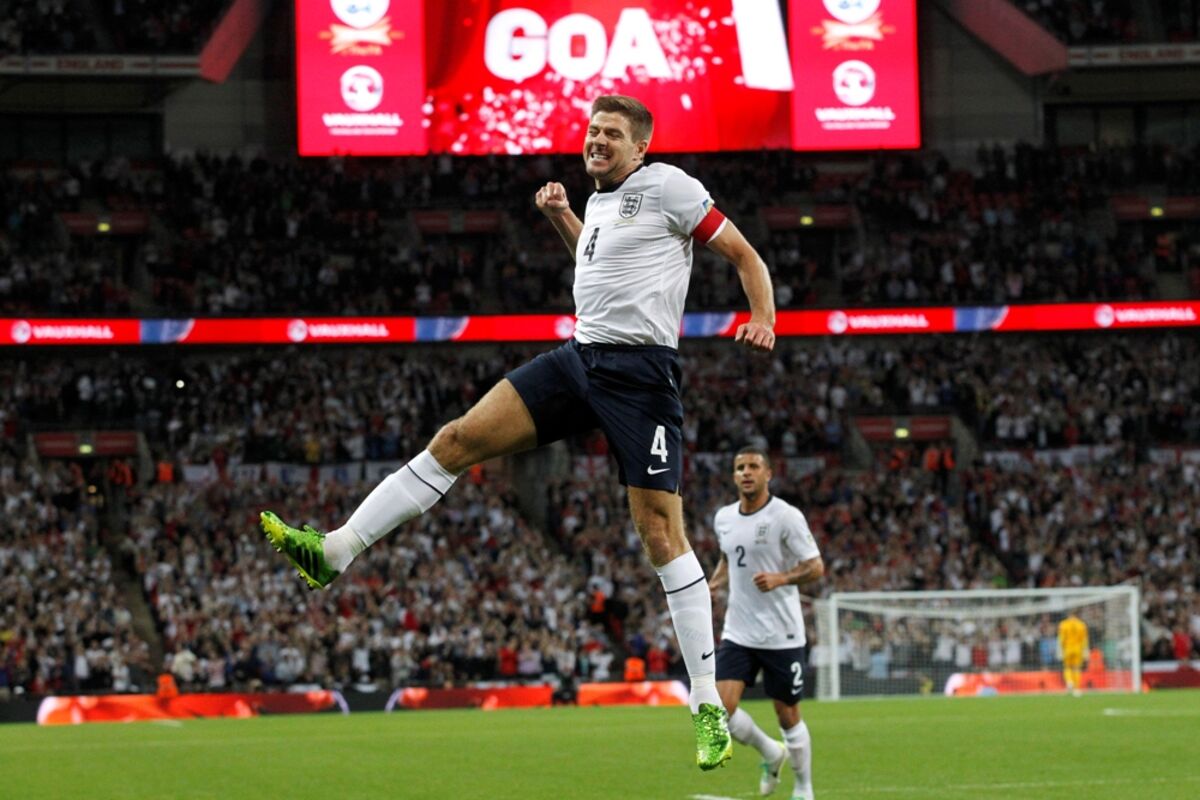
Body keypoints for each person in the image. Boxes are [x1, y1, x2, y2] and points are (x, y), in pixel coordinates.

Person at [260, 94, 777, 770]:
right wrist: (563, 216)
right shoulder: (598, 202)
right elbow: (592, 268)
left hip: (641, 376)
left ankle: (706, 704)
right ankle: (334, 551)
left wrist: (763, 316)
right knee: (455, 441)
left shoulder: (670, 187)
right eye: (593, 131)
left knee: (659, 533)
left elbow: (744, 255)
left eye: (612, 134)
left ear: (641, 147)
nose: (597, 141)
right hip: (580, 358)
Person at [708, 447, 824, 799]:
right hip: (738, 630)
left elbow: (815, 566)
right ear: (734, 476)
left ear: (768, 474)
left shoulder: (786, 516)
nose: (746, 472)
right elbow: (729, 558)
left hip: (781, 634)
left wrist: (781, 578)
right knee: (717, 712)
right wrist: (714, 584)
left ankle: (803, 787)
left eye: (754, 466)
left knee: (787, 715)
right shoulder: (724, 518)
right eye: (740, 467)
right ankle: (771, 752)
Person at [1058, 612, 1088, 696]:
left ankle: (1069, 681)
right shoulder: (1081, 625)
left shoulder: (1063, 624)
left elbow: (1061, 638)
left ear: (1069, 615)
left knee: (1067, 667)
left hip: (1067, 649)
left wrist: (1060, 650)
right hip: (1078, 649)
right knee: (1076, 668)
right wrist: (1085, 651)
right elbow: (1084, 639)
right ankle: (1076, 689)